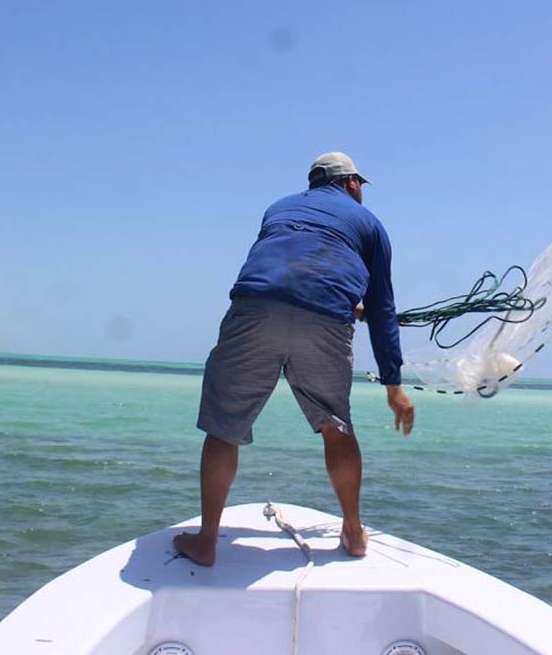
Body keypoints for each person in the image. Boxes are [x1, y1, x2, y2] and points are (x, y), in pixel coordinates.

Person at [173, 152, 415, 565]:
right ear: (352, 183)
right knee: (335, 428)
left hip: (255, 307)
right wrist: (394, 386)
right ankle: (354, 533)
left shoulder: (279, 207)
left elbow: (288, 264)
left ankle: (207, 541)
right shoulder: (371, 226)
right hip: (325, 320)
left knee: (223, 429)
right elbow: (382, 307)